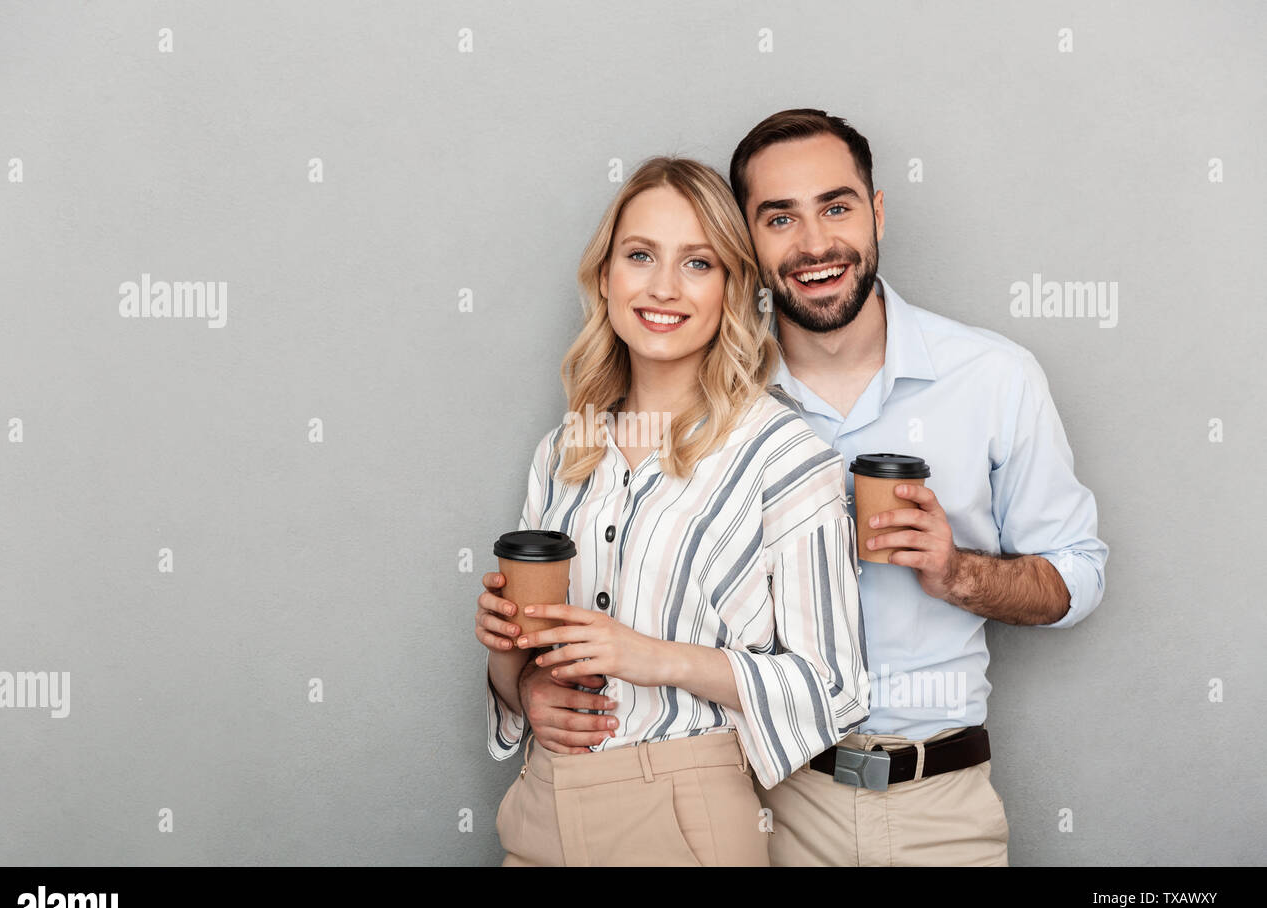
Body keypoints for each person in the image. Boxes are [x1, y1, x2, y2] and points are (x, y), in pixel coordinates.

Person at [516, 111, 1109, 867]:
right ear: (748, 248)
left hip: (934, 795)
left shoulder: (994, 378)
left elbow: (1080, 573)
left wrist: (956, 569)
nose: (815, 243)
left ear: (878, 211)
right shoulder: (715, 401)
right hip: (769, 792)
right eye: (779, 218)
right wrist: (530, 687)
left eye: (836, 206)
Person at [475, 156, 870, 866]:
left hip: (682, 820)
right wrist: (518, 673)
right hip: (540, 810)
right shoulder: (565, 450)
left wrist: (652, 658)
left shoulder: (784, 455)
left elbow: (833, 686)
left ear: (734, 288)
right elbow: (523, 674)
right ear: (606, 276)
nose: (663, 287)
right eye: (640, 256)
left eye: (698, 263)